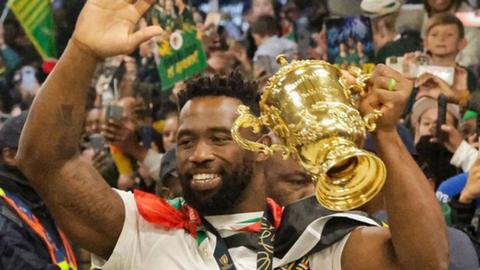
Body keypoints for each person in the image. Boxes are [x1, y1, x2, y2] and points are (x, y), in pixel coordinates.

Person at [16, 1, 448, 269]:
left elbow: (426, 263)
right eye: (186, 141)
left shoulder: (315, 239)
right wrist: (83, 51)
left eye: (220, 138)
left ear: (261, 145)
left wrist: (387, 132)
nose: (199, 154)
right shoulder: (140, 231)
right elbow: (48, 162)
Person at [0, 112, 77, 269]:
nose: (51, 155)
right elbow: (18, 261)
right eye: (40, 146)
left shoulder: (36, 197)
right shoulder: (4, 206)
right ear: (9, 155)